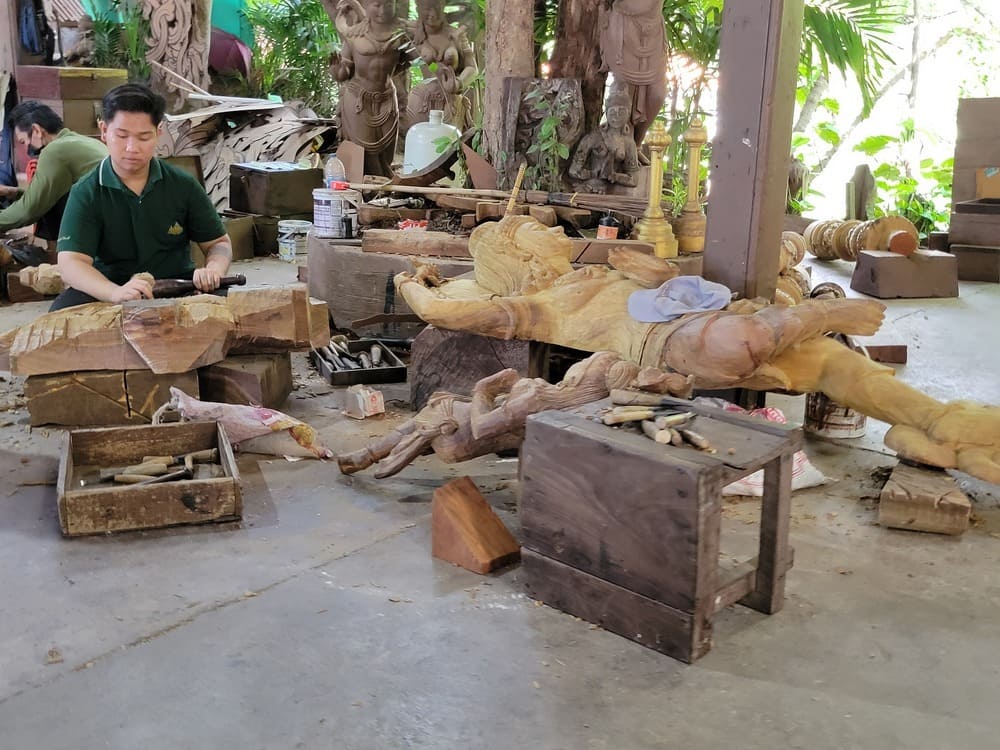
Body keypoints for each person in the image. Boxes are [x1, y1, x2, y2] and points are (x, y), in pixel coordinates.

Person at [53, 83, 232, 311]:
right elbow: (71, 263)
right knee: (62, 313)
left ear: (158, 133)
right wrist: (115, 292)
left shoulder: (183, 184)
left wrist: (213, 270)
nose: (131, 148)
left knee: (221, 307)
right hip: (110, 286)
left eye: (143, 137)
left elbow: (218, 243)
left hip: (178, 283)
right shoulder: (86, 192)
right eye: (122, 135)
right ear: (104, 131)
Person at [0, 101, 107, 245]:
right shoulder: (81, 141)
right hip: (108, 217)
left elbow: (29, 211)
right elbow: (44, 194)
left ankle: (58, 259)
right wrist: (12, 192)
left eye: (23, 140)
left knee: (47, 208)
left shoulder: (55, 151)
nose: (26, 147)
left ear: (36, 130)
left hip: (101, 228)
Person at [331, 0, 410, 177]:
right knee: (365, 154)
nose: (383, 10)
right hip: (359, 99)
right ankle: (371, 191)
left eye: (388, 4)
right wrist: (337, 70)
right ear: (366, 6)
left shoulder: (401, 35)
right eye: (377, 5)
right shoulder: (353, 34)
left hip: (388, 97)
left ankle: (383, 187)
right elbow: (343, 73)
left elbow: (411, 60)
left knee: (386, 154)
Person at [402, 0, 476, 133]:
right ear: (418, 8)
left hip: (450, 101)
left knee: (449, 146)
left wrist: (459, 83)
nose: (432, 13)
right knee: (420, 144)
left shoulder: (456, 34)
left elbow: (472, 68)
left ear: (443, 6)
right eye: (426, 8)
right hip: (419, 101)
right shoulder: (412, 33)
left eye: (436, 7)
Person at [567, 90, 640, 193]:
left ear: (628, 114)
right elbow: (573, 171)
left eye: (621, 112)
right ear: (606, 112)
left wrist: (616, 176)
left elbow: (634, 179)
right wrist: (592, 174)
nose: (616, 116)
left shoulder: (628, 143)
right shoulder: (594, 137)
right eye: (612, 112)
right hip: (587, 187)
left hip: (612, 191)